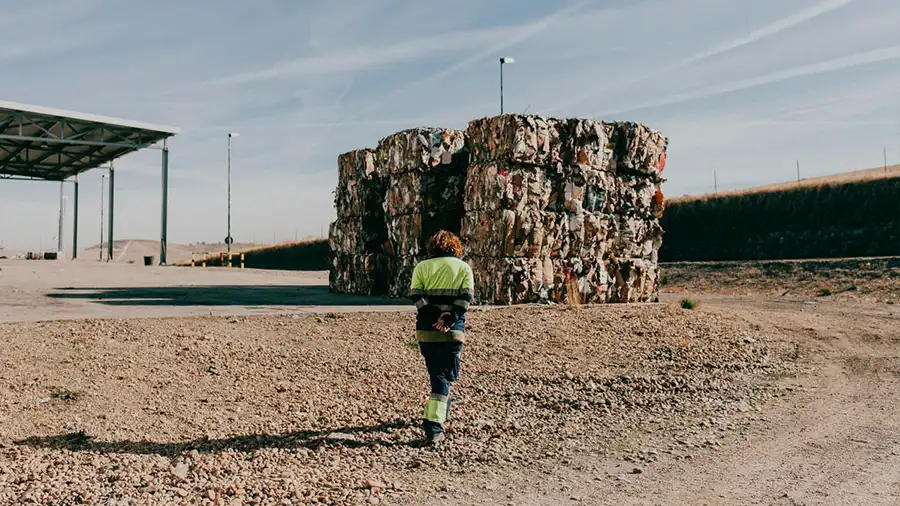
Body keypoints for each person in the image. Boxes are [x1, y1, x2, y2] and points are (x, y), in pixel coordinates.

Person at [409, 230, 474, 444]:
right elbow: (466, 299)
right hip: (453, 331)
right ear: (455, 247)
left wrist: (434, 317)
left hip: (427, 332)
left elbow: (417, 297)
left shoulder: (421, 268)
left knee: (440, 374)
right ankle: (434, 425)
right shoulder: (464, 268)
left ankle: (440, 409)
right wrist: (448, 319)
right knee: (443, 377)